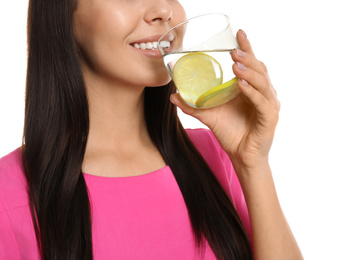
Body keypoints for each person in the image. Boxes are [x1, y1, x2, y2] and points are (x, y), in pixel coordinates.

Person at [0, 0, 303, 259]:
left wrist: (253, 163)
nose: (163, 10)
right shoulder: (8, 194)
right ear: (62, 13)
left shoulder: (216, 155)